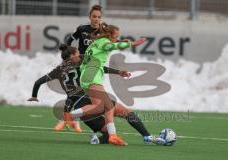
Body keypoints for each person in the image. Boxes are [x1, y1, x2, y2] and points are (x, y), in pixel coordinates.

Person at [28, 44, 165, 146]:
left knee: (108, 130)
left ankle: (96, 138)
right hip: (90, 98)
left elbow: (38, 82)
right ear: (72, 56)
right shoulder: (81, 62)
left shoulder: (57, 70)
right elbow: (100, 68)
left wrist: (34, 96)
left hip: (80, 105)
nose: (80, 54)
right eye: (77, 53)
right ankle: (146, 136)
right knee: (125, 112)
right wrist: (118, 72)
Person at [64, 22, 147, 146]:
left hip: (87, 76)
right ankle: (70, 116)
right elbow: (112, 46)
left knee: (107, 105)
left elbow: (114, 43)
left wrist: (120, 44)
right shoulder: (104, 43)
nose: (116, 38)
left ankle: (112, 136)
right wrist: (133, 43)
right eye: (115, 36)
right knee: (102, 105)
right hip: (92, 76)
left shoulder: (96, 43)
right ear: (109, 35)